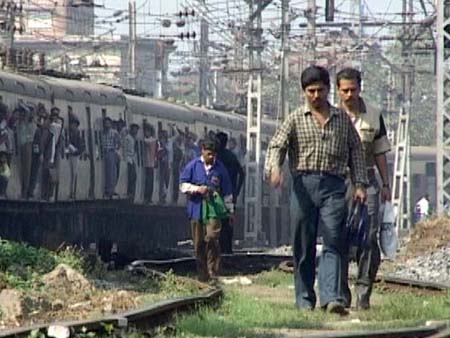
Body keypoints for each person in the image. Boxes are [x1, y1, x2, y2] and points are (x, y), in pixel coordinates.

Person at [264, 66, 367, 314]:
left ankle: (331, 299)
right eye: (311, 91)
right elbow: (277, 145)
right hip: (303, 186)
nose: (316, 95)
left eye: (320, 90)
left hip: (334, 187)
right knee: (304, 243)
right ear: (303, 92)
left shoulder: (342, 120)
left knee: (334, 240)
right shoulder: (296, 118)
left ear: (328, 90)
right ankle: (304, 299)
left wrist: (360, 183)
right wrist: (275, 169)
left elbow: (357, 152)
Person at [337, 67, 391, 310]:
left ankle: (363, 291)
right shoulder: (332, 115)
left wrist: (386, 184)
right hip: (339, 182)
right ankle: (340, 292)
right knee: (338, 236)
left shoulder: (374, 115)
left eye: (353, 90)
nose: (349, 95)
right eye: (344, 90)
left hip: (368, 181)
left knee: (368, 238)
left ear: (360, 89)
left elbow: (380, 152)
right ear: (338, 91)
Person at [179, 139, 234, 282]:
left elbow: (227, 192)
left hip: (213, 210)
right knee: (198, 243)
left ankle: (213, 271)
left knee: (211, 237)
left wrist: (230, 211)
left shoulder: (220, 169)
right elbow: (183, 185)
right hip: (196, 208)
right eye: (209, 154)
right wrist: (197, 189)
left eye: (214, 155)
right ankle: (202, 275)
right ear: (202, 151)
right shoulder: (193, 166)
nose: (212, 158)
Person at [215, 131, 245, 254]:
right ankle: (227, 250)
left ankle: (219, 250)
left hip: (218, 194)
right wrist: (237, 191)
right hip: (230, 195)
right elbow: (242, 174)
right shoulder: (232, 156)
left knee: (217, 221)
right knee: (228, 222)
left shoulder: (217, 157)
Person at [101, 117, 121, 199]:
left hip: (111, 152)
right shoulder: (102, 133)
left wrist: (116, 150)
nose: (107, 124)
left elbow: (119, 142)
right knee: (107, 172)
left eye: (108, 123)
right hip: (104, 152)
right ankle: (107, 190)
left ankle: (110, 190)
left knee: (111, 172)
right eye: (105, 123)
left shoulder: (114, 132)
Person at [67, 115, 85, 199]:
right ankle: (71, 192)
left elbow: (82, 148)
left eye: (73, 124)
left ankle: (73, 192)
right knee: (70, 175)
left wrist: (75, 151)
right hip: (70, 155)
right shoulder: (70, 134)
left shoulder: (78, 135)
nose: (71, 126)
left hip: (75, 156)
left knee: (74, 174)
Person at [124, 123, 139, 201]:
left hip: (133, 159)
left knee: (134, 177)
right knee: (131, 177)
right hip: (129, 159)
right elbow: (125, 149)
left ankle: (132, 193)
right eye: (134, 129)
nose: (136, 131)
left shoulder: (134, 138)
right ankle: (130, 193)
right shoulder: (128, 138)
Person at [143, 123, 157, 204]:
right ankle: (148, 198)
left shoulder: (150, 140)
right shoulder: (153, 140)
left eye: (147, 131)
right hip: (149, 163)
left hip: (150, 163)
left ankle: (148, 197)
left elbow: (146, 141)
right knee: (149, 181)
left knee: (149, 181)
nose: (145, 133)